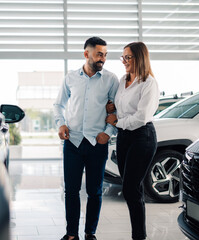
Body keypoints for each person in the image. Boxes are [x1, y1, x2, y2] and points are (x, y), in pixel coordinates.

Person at [53, 37, 119, 240]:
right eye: (99, 54)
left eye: (105, 55)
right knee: (71, 191)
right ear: (86, 54)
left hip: (96, 144)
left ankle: (90, 233)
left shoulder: (111, 79)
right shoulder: (71, 77)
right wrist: (60, 124)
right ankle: (71, 234)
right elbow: (58, 105)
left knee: (95, 191)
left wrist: (107, 133)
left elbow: (116, 110)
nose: (103, 59)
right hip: (72, 142)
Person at [105, 42, 159, 240]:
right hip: (124, 137)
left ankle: (139, 236)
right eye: (123, 57)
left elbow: (141, 117)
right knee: (130, 187)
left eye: (128, 57)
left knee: (130, 188)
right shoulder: (123, 80)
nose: (124, 61)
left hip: (142, 137)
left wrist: (117, 121)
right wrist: (113, 109)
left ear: (140, 58)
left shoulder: (149, 83)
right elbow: (122, 107)